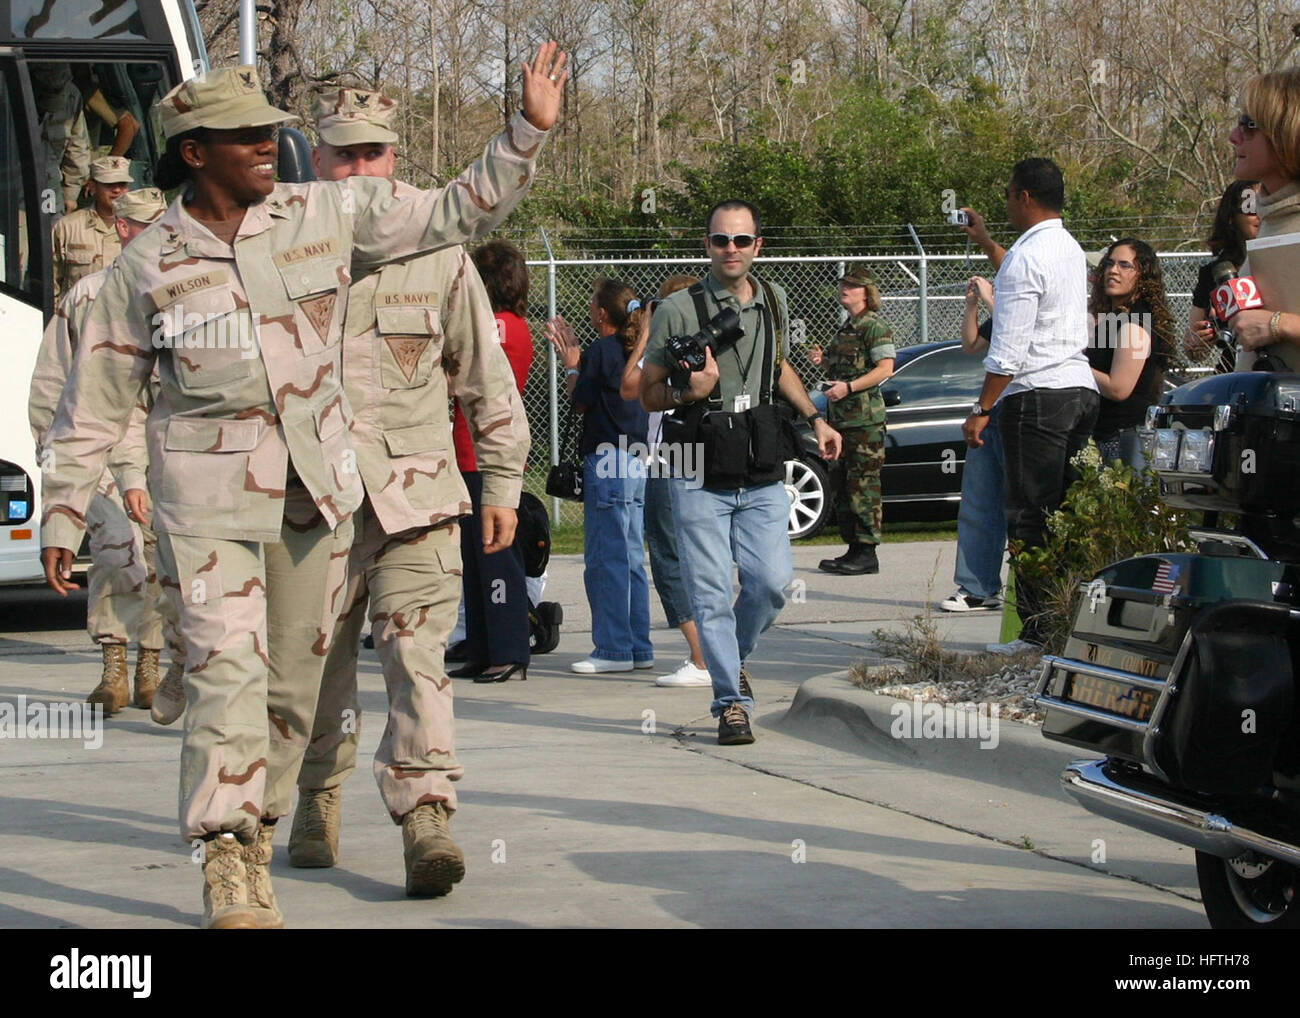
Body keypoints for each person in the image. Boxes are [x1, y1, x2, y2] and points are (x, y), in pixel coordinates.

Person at [38, 54, 564, 929]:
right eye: (247, 136)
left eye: (269, 132)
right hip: (207, 508)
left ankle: (290, 809)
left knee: (287, 693)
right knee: (225, 674)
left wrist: (528, 132)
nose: (266, 146)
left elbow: (453, 211)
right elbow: (95, 401)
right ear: (194, 152)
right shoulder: (147, 264)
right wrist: (64, 507)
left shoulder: (318, 214)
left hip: (312, 503)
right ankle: (228, 861)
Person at [287, 93, 533, 896]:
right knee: (312, 671)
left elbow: (484, 380)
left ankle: (426, 812)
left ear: (396, 161)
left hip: (414, 500)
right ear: (317, 162)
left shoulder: (444, 259)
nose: (359, 173)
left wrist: (501, 479)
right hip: (311, 508)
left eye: (373, 156)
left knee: (416, 660)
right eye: (343, 157)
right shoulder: (282, 256)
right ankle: (317, 794)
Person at [640, 199, 841, 745]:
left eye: (742, 240)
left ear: (758, 246)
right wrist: (692, 390)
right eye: (721, 240)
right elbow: (646, 392)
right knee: (708, 590)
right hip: (696, 460)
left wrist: (814, 418)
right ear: (706, 245)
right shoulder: (677, 309)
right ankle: (730, 701)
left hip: (758, 454)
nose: (732, 249)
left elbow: (779, 367)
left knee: (772, 583)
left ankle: (734, 655)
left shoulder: (773, 298)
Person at [29, 187, 175, 715]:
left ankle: (151, 665)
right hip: (99, 445)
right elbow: (53, 381)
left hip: (160, 447)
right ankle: (113, 661)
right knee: (116, 546)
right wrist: (55, 455)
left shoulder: (180, 290)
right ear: (122, 228)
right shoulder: (89, 295)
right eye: (144, 225)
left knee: (159, 552)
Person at [957, 159, 1099, 653]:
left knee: (1029, 516)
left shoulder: (1024, 257)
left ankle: (1036, 632)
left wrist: (982, 408)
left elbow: (1010, 347)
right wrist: (987, 242)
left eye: (1008, 194)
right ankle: (1071, 624)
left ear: (1024, 197)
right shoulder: (1069, 249)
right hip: (1078, 390)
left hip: (1036, 395)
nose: (1006, 203)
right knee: (1065, 515)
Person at [547, 278, 654, 674]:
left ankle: (612, 649)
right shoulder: (637, 350)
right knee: (630, 558)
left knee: (604, 557)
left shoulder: (603, 350)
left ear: (602, 313)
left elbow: (579, 402)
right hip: (638, 458)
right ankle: (638, 645)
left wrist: (572, 366)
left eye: (593, 303)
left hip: (608, 460)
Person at [442, 240, 535, 684]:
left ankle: (509, 647)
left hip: (483, 451)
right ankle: (482, 645)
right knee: (475, 558)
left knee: (496, 556)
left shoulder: (495, 325)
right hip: (468, 450)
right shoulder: (512, 324)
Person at [619, 275, 711, 688]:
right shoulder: (709, 347)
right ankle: (712, 651)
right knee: (698, 555)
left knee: (668, 553)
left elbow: (628, 387)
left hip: (670, 456)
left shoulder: (670, 347)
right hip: (698, 456)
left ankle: (701, 657)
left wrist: (648, 334)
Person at [816, 264, 895, 575]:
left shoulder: (874, 326)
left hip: (864, 421)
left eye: (852, 285)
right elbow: (844, 372)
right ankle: (853, 549)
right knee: (844, 485)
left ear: (866, 293)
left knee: (864, 486)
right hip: (842, 421)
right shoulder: (847, 328)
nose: (844, 289)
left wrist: (848, 387)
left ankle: (867, 552)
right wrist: (825, 364)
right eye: (844, 285)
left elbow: (885, 368)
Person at [1224, 69, 1300, 370]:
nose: (1234, 136)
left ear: (1288, 133)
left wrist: (1278, 325)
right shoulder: (1273, 219)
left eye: (1248, 125)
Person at [940, 275, 1005, 612]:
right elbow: (970, 345)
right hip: (993, 407)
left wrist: (992, 297)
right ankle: (977, 587)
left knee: (1025, 508)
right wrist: (972, 305)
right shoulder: (1004, 311)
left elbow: (1014, 330)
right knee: (979, 500)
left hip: (1028, 409)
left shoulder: (1040, 311)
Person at [1086, 239, 1174, 470]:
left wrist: (1073, 363)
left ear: (1143, 275)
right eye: (1109, 264)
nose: (1113, 270)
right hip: (1106, 435)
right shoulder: (1115, 318)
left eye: (1125, 265)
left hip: (1123, 440)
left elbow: (1119, 388)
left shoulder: (1135, 322)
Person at [1185, 180, 1259, 371]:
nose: (1259, 214)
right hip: (1235, 375)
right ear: (1231, 217)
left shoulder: (1287, 261)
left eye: (1264, 205)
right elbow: (1192, 350)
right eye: (1250, 206)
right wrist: (1199, 342)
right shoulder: (1215, 272)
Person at [50, 156, 131, 302]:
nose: (117, 190)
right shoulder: (67, 227)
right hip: (78, 320)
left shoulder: (141, 228)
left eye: (122, 184)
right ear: (92, 186)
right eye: (109, 184)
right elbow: (51, 284)